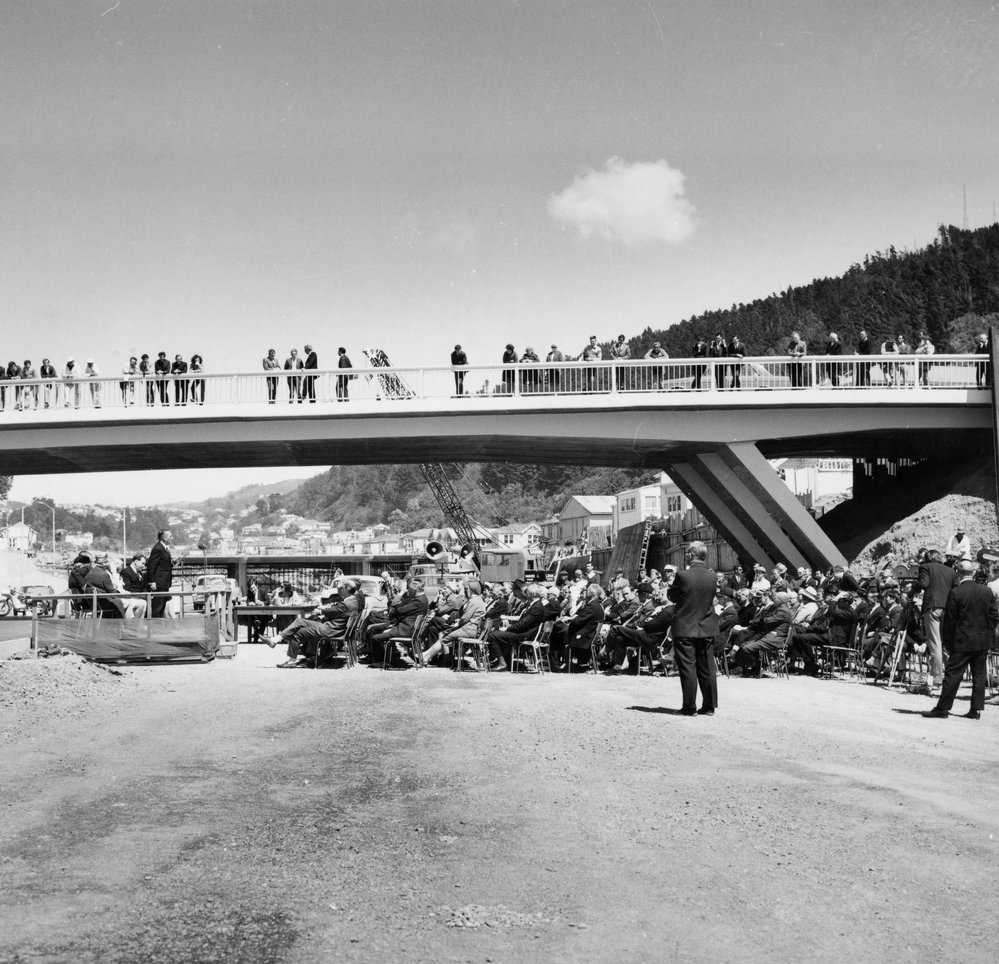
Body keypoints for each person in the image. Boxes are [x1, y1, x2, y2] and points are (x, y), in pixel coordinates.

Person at [924, 559, 998, 719]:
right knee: (979, 676)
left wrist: (948, 643)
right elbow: (994, 616)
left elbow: (950, 621)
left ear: (958, 573)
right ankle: (976, 710)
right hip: (982, 641)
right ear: (973, 573)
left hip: (962, 641)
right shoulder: (986, 591)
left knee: (953, 675)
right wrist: (987, 632)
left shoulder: (956, 592)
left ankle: (943, 708)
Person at [668, 540, 719, 714]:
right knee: (707, 667)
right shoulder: (713, 576)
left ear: (690, 555)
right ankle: (709, 706)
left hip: (685, 626)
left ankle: (689, 707)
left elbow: (672, 595)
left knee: (688, 668)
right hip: (706, 626)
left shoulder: (683, 575)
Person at [273, 579, 361, 668]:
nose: (338, 591)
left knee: (298, 632)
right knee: (299, 621)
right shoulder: (353, 601)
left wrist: (320, 611)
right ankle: (277, 639)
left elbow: (332, 610)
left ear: (346, 589)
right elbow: (337, 610)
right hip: (336, 628)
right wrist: (324, 611)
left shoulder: (346, 603)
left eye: (340, 588)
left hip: (330, 629)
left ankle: (292, 660)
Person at [913, 549, 958, 692]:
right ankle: (951, 678)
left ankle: (937, 678)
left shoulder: (925, 567)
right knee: (945, 644)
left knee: (935, 643)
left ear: (927, 558)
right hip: (948, 608)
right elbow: (956, 589)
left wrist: (912, 588)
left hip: (932, 606)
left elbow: (924, 584)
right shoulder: (950, 570)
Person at [146, 530, 174, 618]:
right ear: (164, 538)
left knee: (162, 606)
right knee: (157, 607)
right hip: (159, 583)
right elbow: (151, 566)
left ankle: (159, 627)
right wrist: (152, 581)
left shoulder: (164, 549)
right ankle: (154, 626)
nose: (172, 538)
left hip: (164, 582)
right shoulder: (158, 549)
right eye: (170, 536)